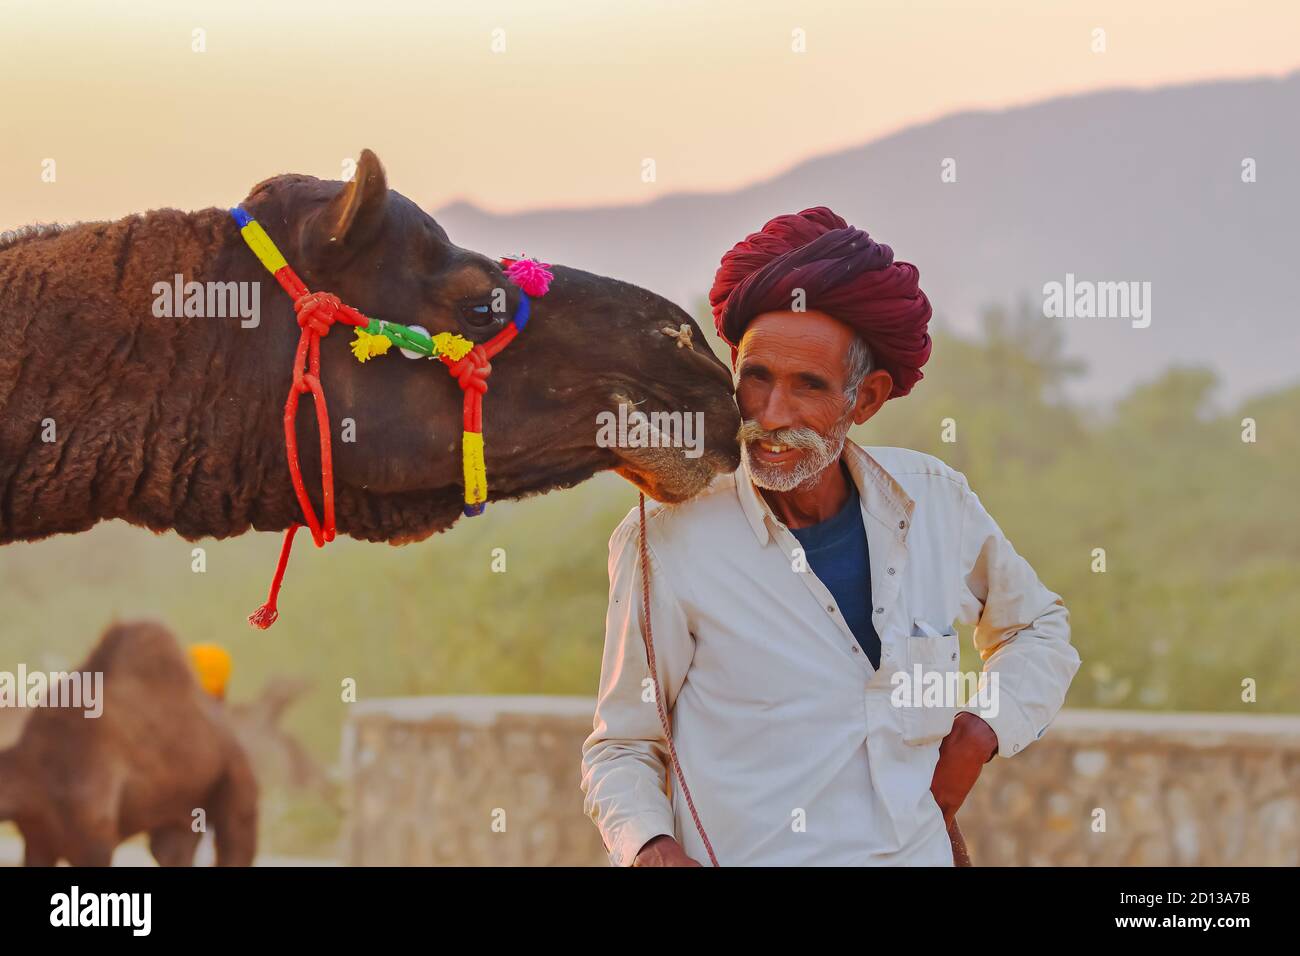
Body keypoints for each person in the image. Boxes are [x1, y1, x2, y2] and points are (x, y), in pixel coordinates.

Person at [580, 207, 1081, 866]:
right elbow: (622, 746)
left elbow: (1036, 627)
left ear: (866, 399)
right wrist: (650, 847)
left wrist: (979, 730)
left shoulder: (933, 501)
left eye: (807, 387)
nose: (770, 414)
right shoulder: (668, 537)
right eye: (755, 378)